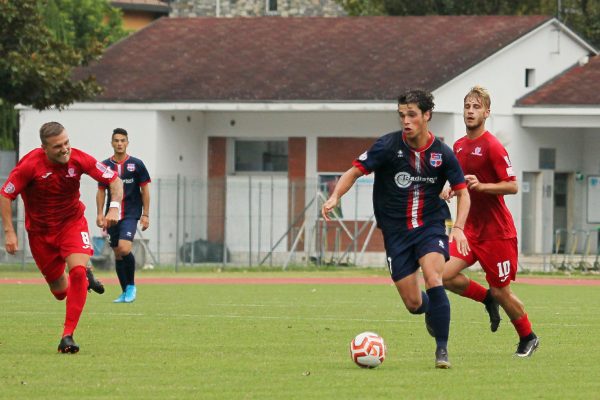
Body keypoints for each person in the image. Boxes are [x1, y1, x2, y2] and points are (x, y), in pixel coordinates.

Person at [322, 89, 470, 368]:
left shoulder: (442, 154)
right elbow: (354, 171)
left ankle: (442, 351)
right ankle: (430, 310)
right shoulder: (387, 147)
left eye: (412, 114)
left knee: (433, 276)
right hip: (396, 233)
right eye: (402, 115)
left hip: (430, 226)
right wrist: (335, 196)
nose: (406, 120)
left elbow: (464, 193)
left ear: (427, 116)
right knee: (413, 303)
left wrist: (459, 228)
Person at [0, 122, 123, 353]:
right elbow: (5, 195)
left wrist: (114, 206)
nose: (65, 149)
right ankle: (84, 278)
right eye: (58, 146)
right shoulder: (29, 166)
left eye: (67, 142)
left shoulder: (79, 159)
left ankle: (68, 335)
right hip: (40, 233)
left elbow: (114, 180)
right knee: (59, 292)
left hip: (71, 224)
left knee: (76, 271)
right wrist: (9, 232)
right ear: (44, 148)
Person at [442, 86, 539, 357]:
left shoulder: (493, 146)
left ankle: (528, 336)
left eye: (476, 107)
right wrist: (450, 188)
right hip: (470, 231)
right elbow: (460, 182)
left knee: (501, 291)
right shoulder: (459, 146)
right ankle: (485, 299)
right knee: (443, 275)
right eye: (467, 106)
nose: (470, 111)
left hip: (497, 234)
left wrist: (482, 187)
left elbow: (512, 186)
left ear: (487, 112)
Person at [96, 128, 151, 303]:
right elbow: (101, 192)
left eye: (123, 140)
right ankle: (124, 292)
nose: (119, 143)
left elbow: (145, 190)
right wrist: (99, 214)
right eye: (116, 140)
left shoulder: (137, 164)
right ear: (112, 143)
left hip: (130, 214)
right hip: (112, 216)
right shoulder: (105, 165)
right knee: (118, 254)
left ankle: (132, 286)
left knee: (124, 248)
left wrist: (146, 214)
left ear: (127, 143)